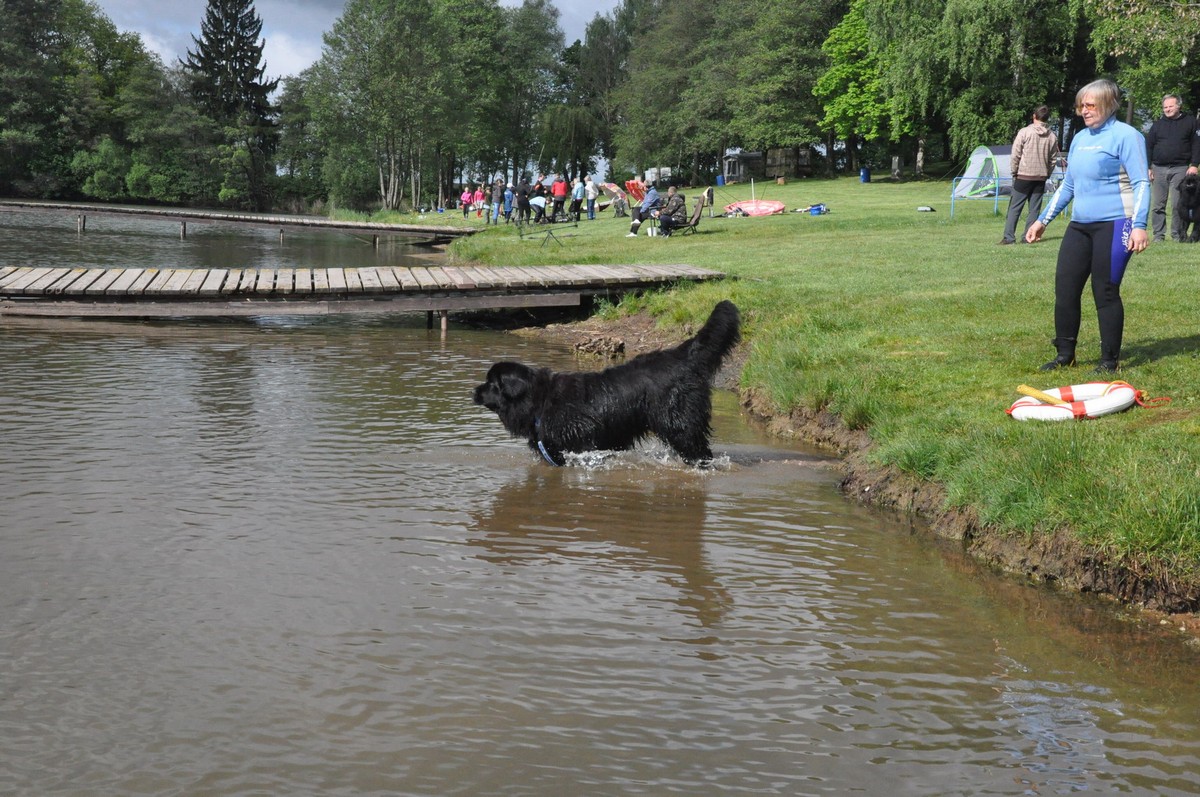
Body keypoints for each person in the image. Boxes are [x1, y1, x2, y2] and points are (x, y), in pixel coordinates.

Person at [1025, 79, 1150, 373]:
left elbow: (1141, 182)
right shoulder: (1080, 138)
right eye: (1082, 105)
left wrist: (1139, 225)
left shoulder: (1127, 136)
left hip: (1116, 223)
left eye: (1091, 105)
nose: (1084, 110)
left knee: (1104, 290)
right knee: (1065, 288)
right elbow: (1069, 185)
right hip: (1080, 225)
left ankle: (1109, 361)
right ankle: (1065, 355)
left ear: (1108, 104)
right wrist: (1042, 220)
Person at [1000, 105, 1059, 245]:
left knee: (1015, 208)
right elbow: (1053, 160)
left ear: (1034, 116)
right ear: (1047, 119)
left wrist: (1014, 171)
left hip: (1023, 176)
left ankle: (1009, 237)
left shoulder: (1024, 132)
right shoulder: (1052, 136)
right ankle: (1028, 237)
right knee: (1034, 210)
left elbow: (1015, 154)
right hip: (1041, 177)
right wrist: (1047, 174)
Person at [1145, 94, 1200, 242]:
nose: (1167, 109)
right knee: (1158, 205)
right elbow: (1148, 146)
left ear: (1178, 106)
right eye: (1165, 107)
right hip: (1158, 168)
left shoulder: (1191, 122)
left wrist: (1194, 165)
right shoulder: (1157, 125)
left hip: (1181, 168)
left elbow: (1197, 144)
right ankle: (1158, 235)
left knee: (1178, 205)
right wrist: (1148, 167)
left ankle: (1177, 235)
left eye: (1170, 106)